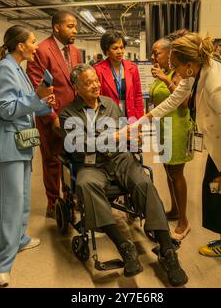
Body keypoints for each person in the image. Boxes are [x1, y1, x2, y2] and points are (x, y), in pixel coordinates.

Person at [57, 64, 188, 287]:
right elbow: (78, 146)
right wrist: (115, 137)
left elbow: (123, 130)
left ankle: (167, 250)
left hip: (120, 159)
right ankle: (124, 247)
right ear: (76, 87)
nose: (95, 85)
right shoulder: (68, 113)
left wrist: (131, 138)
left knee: (144, 182)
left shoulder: (110, 104)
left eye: (96, 80)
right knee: (86, 185)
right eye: (88, 83)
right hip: (92, 165)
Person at [143, 33, 221, 257]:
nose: (174, 71)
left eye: (176, 67)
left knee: (216, 189)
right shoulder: (197, 67)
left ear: (188, 64)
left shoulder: (217, 85)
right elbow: (177, 97)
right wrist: (149, 117)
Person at [0, 25, 55, 286]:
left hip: (21, 142)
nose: (36, 46)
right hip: (8, 146)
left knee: (23, 197)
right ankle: (1, 262)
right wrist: (37, 97)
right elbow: (6, 108)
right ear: (20, 45)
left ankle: (20, 238)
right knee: (9, 204)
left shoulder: (18, 69)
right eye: (33, 42)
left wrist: (42, 100)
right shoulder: (5, 68)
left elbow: (23, 100)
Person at [27, 11, 82, 218]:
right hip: (51, 117)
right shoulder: (42, 50)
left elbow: (76, 82)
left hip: (74, 115)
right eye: (70, 26)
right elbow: (37, 88)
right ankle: (53, 202)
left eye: (75, 26)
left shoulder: (75, 52)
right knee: (52, 161)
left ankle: (70, 197)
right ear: (56, 27)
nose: (75, 30)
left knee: (73, 158)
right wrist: (52, 117)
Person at [150, 36, 193, 240]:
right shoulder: (165, 72)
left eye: (156, 52)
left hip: (176, 129)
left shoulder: (179, 73)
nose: (153, 56)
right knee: (168, 172)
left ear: (169, 54)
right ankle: (175, 210)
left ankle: (184, 221)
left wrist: (166, 80)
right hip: (163, 128)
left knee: (177, 174)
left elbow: (184, 103)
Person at [94, 32, 144, 121]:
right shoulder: (98, 70)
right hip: (108, 117)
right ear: (106, 50)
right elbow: (96, 99)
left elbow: (138, 95)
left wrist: (139, 119)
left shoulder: (132, 68)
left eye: (121, 47)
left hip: (130, 115)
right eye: (115, 48)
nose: (120, 51)